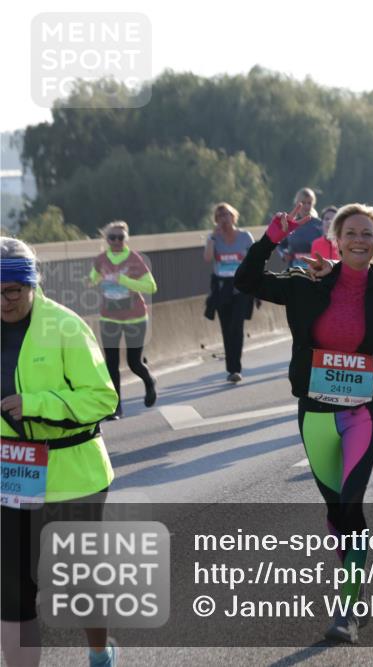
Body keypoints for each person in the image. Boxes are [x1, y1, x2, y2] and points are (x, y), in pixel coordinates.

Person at [234, 204, 373, 643]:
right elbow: (245, 281)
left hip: (364, 410)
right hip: (316, 410)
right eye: (352, 233)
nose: (360, 240)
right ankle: (356, 589)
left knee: (351, 506)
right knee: (334, 510)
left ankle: (347, 609)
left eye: (369, 234)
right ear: (337, 240)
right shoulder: (309, 281)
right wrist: (272, 237)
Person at [1, 237, 120, 667]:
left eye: (12, 291)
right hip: (13, 474)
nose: (4, 301)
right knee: (13, 585)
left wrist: (37, 404)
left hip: (73, 473)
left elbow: (103, 399)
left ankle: (99, 652)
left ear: (32, 284)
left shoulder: (66, 327)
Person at [87, 221, 157, 419]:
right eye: (112, 237)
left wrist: (123, 280)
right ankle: (116, 407)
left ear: (126, 239)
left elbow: (151, 287)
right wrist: (94, 281)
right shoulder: (101, 260)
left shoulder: (134, 259)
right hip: (109, 317)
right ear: (106, 239)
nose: (116, 241)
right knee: (111, 363)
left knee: (134, 363)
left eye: (120, 238)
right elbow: (91, 280)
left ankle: (149, 381)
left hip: (135, 317)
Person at [203, 202, 255, 382]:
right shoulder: (214, 239)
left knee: (237, 326)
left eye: (227, 215)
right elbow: (208, 258)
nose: (224, 219)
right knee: (226, 328)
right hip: (222, 287)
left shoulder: (245, 237)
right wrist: (211, 239)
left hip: (241, 286)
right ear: (216, 220)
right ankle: (231, 369)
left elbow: (255, 259)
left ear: (234, 216)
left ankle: (236, 368)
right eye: (220, 216)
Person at [278, 188, 324, 270]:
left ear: (313, 204)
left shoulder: (319, 225)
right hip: (294, 270)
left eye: (309, 203)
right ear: (297, 203)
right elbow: (281, 244)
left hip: (314, 270)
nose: (306, 206)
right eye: (303, 203)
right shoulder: (290, 225)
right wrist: (284, 254)